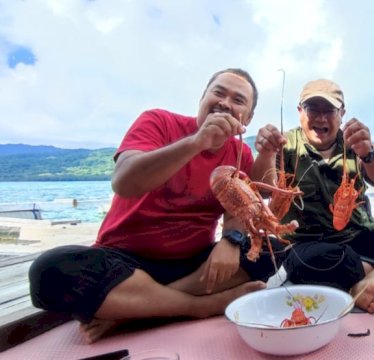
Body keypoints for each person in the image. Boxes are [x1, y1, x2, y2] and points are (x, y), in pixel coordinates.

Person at [28, 68, 285, 343]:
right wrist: (197, 142)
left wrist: (231, 241)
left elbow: (240, 209)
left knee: (274, 251)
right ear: (203, 97)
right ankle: (199, 306)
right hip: (124, 261)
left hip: (191, 263)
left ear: (248, 116)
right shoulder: (158, 121)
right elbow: (123, 182)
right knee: (48, 272)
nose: (225, 102)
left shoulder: (239, 151)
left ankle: (131, 309)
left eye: (238, 100)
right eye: (218, 92)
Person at [251, 79, 374, 311]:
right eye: (313, 108)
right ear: (300, 112)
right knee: (306, 261)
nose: (321, 117)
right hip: (309, 243)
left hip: (360, 235)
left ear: (342, 113)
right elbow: (264, 190)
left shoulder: (353, 141)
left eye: (329, 110)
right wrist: (265, 153)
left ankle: (366, 280)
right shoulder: (285, 143)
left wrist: (369, 151)